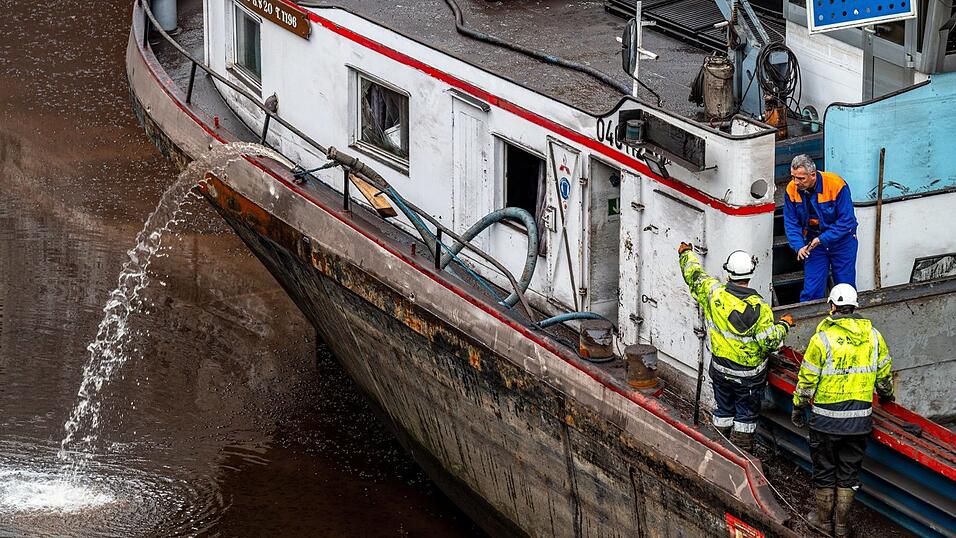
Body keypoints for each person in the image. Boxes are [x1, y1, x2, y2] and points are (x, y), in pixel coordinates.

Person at [790, 283, 894, 538]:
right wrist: (887, 397)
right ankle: (842, 526)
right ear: (855, 307)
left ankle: (824, 523)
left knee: (825, 469)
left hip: (825, 422)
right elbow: (883, 377)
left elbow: (807, 381)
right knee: (849, 472)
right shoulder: (873, 337)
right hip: (859, 422)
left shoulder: (822, 338)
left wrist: (798, 406)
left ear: (833, 306)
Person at [678, 243, 794, 452]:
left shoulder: (714, 294)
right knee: (746, 417)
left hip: (721, 370)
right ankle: (741, 452)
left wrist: (686, 253)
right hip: (749, 377)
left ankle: (720, 449)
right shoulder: (760, 309)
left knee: (723, 410)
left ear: (728, 272)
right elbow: (771, 343)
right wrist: (784, 324)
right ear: (750, 273)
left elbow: (694, 275)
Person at [783, 155, 859, 302]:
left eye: (801, 178)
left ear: (813, 175)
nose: (795, 182)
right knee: (812, 291)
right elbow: (791, 222)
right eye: (793, 177)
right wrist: (799, 246)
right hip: (813, 243)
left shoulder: (836, 184)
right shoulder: (791, 189)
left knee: (845, 288)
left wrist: (822, 239)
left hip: (842, 242)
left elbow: (847, 220)